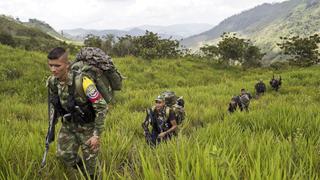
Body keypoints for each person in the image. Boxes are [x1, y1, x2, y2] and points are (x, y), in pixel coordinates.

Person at [46, 47, 107, 179]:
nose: (53, 69)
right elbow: (53, 104)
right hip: (69, 126)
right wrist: (51, 127)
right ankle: (82, 170)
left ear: (67, 65)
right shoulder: (52, 82)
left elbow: (101, 107)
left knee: (92, 169)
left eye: (57, 65)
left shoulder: (83, 82)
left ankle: (90, 174)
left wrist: (96, 135)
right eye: (50, 65)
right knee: (63, 155)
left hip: (88, 128)